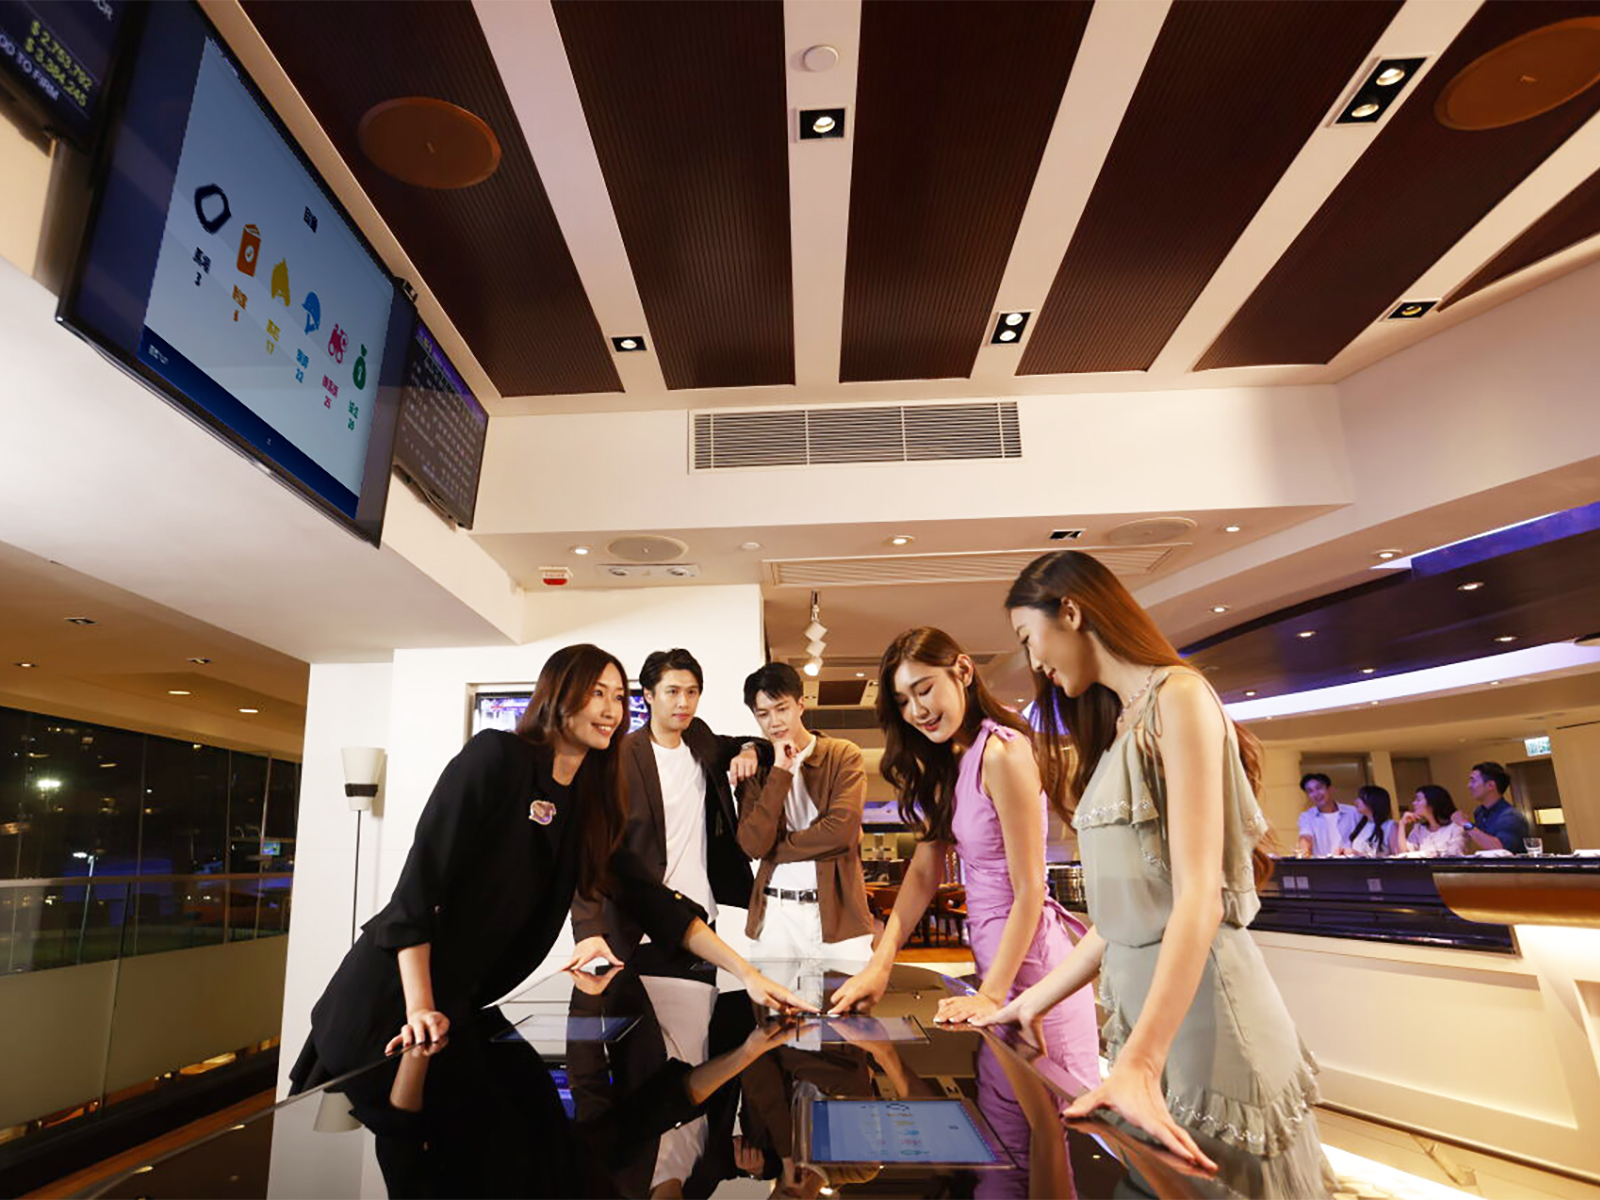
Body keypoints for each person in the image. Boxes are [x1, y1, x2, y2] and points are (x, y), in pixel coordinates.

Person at [288, 644, 815, 1092]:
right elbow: (416, 894)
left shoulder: (588, 798)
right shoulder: (496, 756)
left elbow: (650, 897)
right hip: (392, 1004)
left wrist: (748, 976)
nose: (611, 710)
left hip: (459, 1009)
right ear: (560, 694)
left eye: (618, 697)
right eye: (596, 693)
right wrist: (419, 1007)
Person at [974, 550, 1337, 1196]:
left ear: (1071, 611)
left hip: (1209, 1031)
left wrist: (1141, 1063)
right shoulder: (1121, 724)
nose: (1033, 662)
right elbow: (1122, 922)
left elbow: (1199, 898)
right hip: (1151, 1035)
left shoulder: (1180, 695)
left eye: (1029, 638)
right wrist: (1028, 1002)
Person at [828, 627, 1100, 1089]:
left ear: (964, 671)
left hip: (1033, 975)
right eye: (903, 701)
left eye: (924, 689)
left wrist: (992, 995)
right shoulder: (948, 760)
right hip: (993, 969)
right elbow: (924, 871)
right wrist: (880, 964)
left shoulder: (1003, 752)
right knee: (1000, 1121)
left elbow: (1030, 888)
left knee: (1055, 1120)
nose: (917, 711)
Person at [570, 648, 768, 962]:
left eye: (692, 692)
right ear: (649, 695)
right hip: (639, 928)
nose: (683, 702)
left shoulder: (700, 739)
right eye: (672, 692)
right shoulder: (619, 757)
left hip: (700, 921)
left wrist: (749, 751)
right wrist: (588, 929)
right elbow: (590, 849)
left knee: (706, 996)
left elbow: (756, 744)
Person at [736, 663, 873, 962]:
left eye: (781, 708)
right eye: (763, 714)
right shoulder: (757, 768)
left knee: (849, 993)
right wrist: (780, 772)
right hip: (775, 916)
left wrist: (774, 849)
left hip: (838, 915)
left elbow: (841, 833)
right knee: (772, 995)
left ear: (800, 705)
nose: (774, 722)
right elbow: (752, 845)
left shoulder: (841, 755)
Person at [1457, 761, 1531, 854]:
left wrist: (1465, 824)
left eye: (1473, 780)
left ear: (1490, 786)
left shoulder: (1511, 816)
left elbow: (1500, 849)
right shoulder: (1479, 812)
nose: (1469, 786)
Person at [1295, 773, 1360, 857]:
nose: (1316, 794)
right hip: (1324, 863)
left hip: (1353, 862)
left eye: (1319, 788)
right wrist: (1303, 852)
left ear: (1330, 789)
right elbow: (1306, 837)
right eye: (1310, 791)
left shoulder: (1353, 812)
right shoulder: (1307, 817)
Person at [1401, 785, 1467, 857]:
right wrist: (1402, 824)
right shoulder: (1419, 829)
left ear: (1432, 802)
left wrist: (1423, 854)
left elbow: (1453, 854)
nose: (1413, 803)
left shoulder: (1455, 827)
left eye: (1418, 800)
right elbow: (1404, 855)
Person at [1339, 785, 1400, 857]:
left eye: (1362, 799)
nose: (1356, 801)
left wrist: (1361, 855)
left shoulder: (1390, 826)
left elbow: (1397, 856)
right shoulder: (1361, 825)